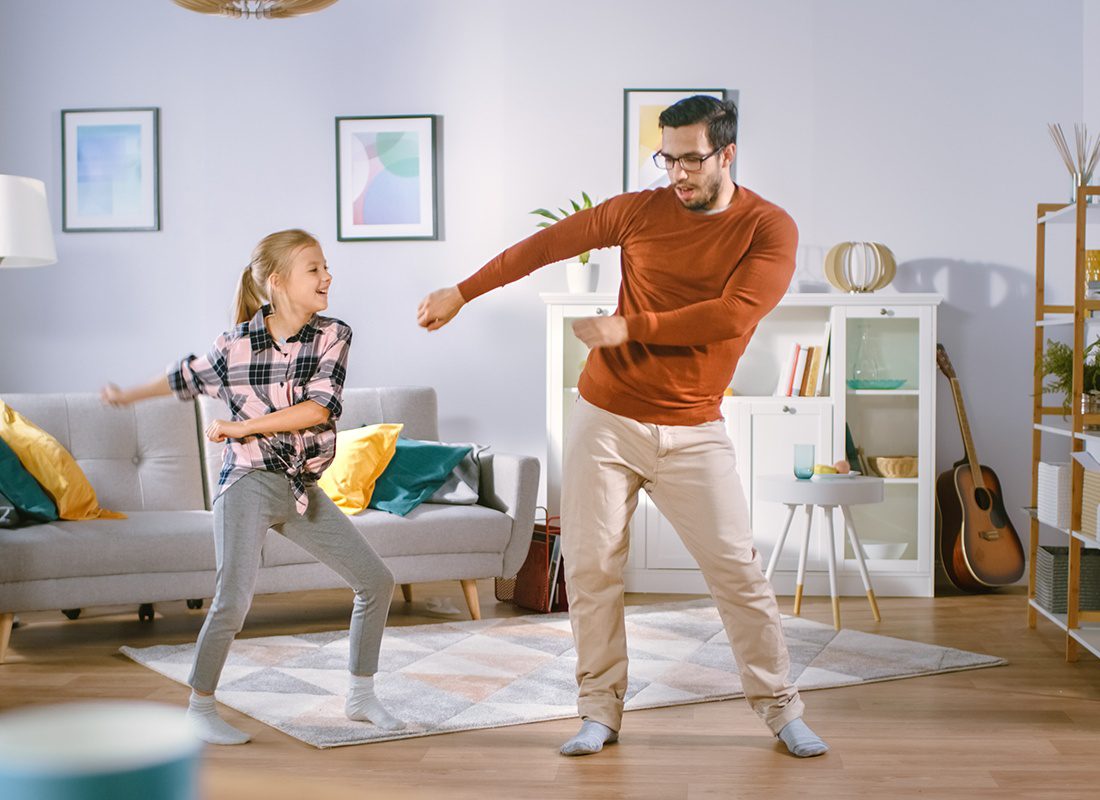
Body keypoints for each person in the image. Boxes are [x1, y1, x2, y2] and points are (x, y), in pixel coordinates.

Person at [416, 96, 827, 758]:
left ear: (727, 154)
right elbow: (547, 244)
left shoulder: (768, 228)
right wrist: (462, 292)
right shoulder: (639, 210)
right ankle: (599, 711)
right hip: (607, 417)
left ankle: (781, 709)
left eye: (692, 159)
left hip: (694, 427)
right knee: (591, 565)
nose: (678, 174)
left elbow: (730, 315)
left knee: (738, 573)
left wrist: (628, 328)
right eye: (667, 158)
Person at [102, 229, 403, 745]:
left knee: (375, 581)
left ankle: (360, 695)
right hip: (245, 481)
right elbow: (184, 377)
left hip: (298, 486)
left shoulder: (334, 334)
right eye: (314, 269)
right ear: (278, 282)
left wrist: (240, 427)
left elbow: (318, 408)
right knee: (232, 599)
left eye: (326, 267)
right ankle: (199, 707)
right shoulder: (234, 344)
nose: (328, 277)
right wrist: (126, 394)